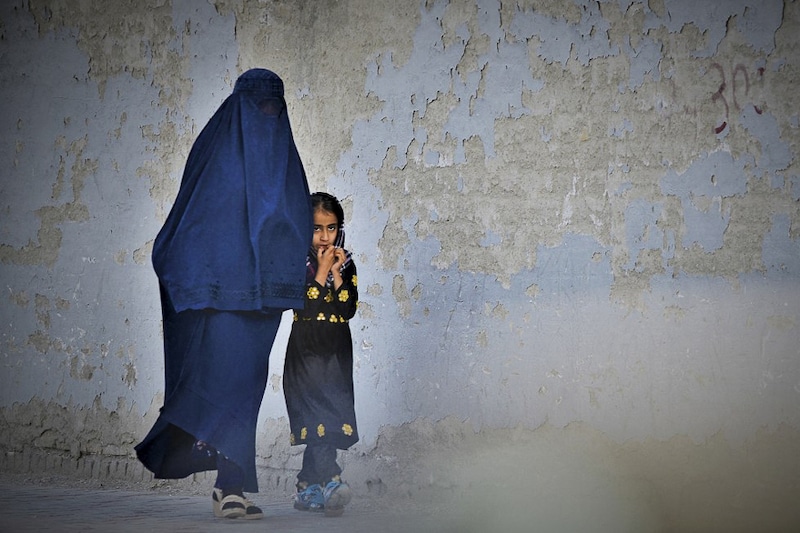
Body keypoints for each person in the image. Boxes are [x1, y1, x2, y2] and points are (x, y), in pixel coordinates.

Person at [134, 68, 312, 520]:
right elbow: (189, 220)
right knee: (224, 387)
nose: (266, 116)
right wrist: (194, 275)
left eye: (275, 108)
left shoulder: (286, 162)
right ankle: (229, 487)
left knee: (246, 390)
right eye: (258, 107)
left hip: (263, 301)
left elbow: (296, 223)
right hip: (219, 299)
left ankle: (230, 487)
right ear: (239, 106)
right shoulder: (214, 152)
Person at [283, 192, 359, 517]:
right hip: (306, 352)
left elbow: (348, 308)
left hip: (336, 354)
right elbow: (307, 303)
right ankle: (331, 481)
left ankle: (307, 487)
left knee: (329, 419)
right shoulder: (296, 262)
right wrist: (321, 269)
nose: (324, 235)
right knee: (318, 419)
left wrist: (337, 271)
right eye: (316, 228)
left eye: (331, 227)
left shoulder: (348, 261)